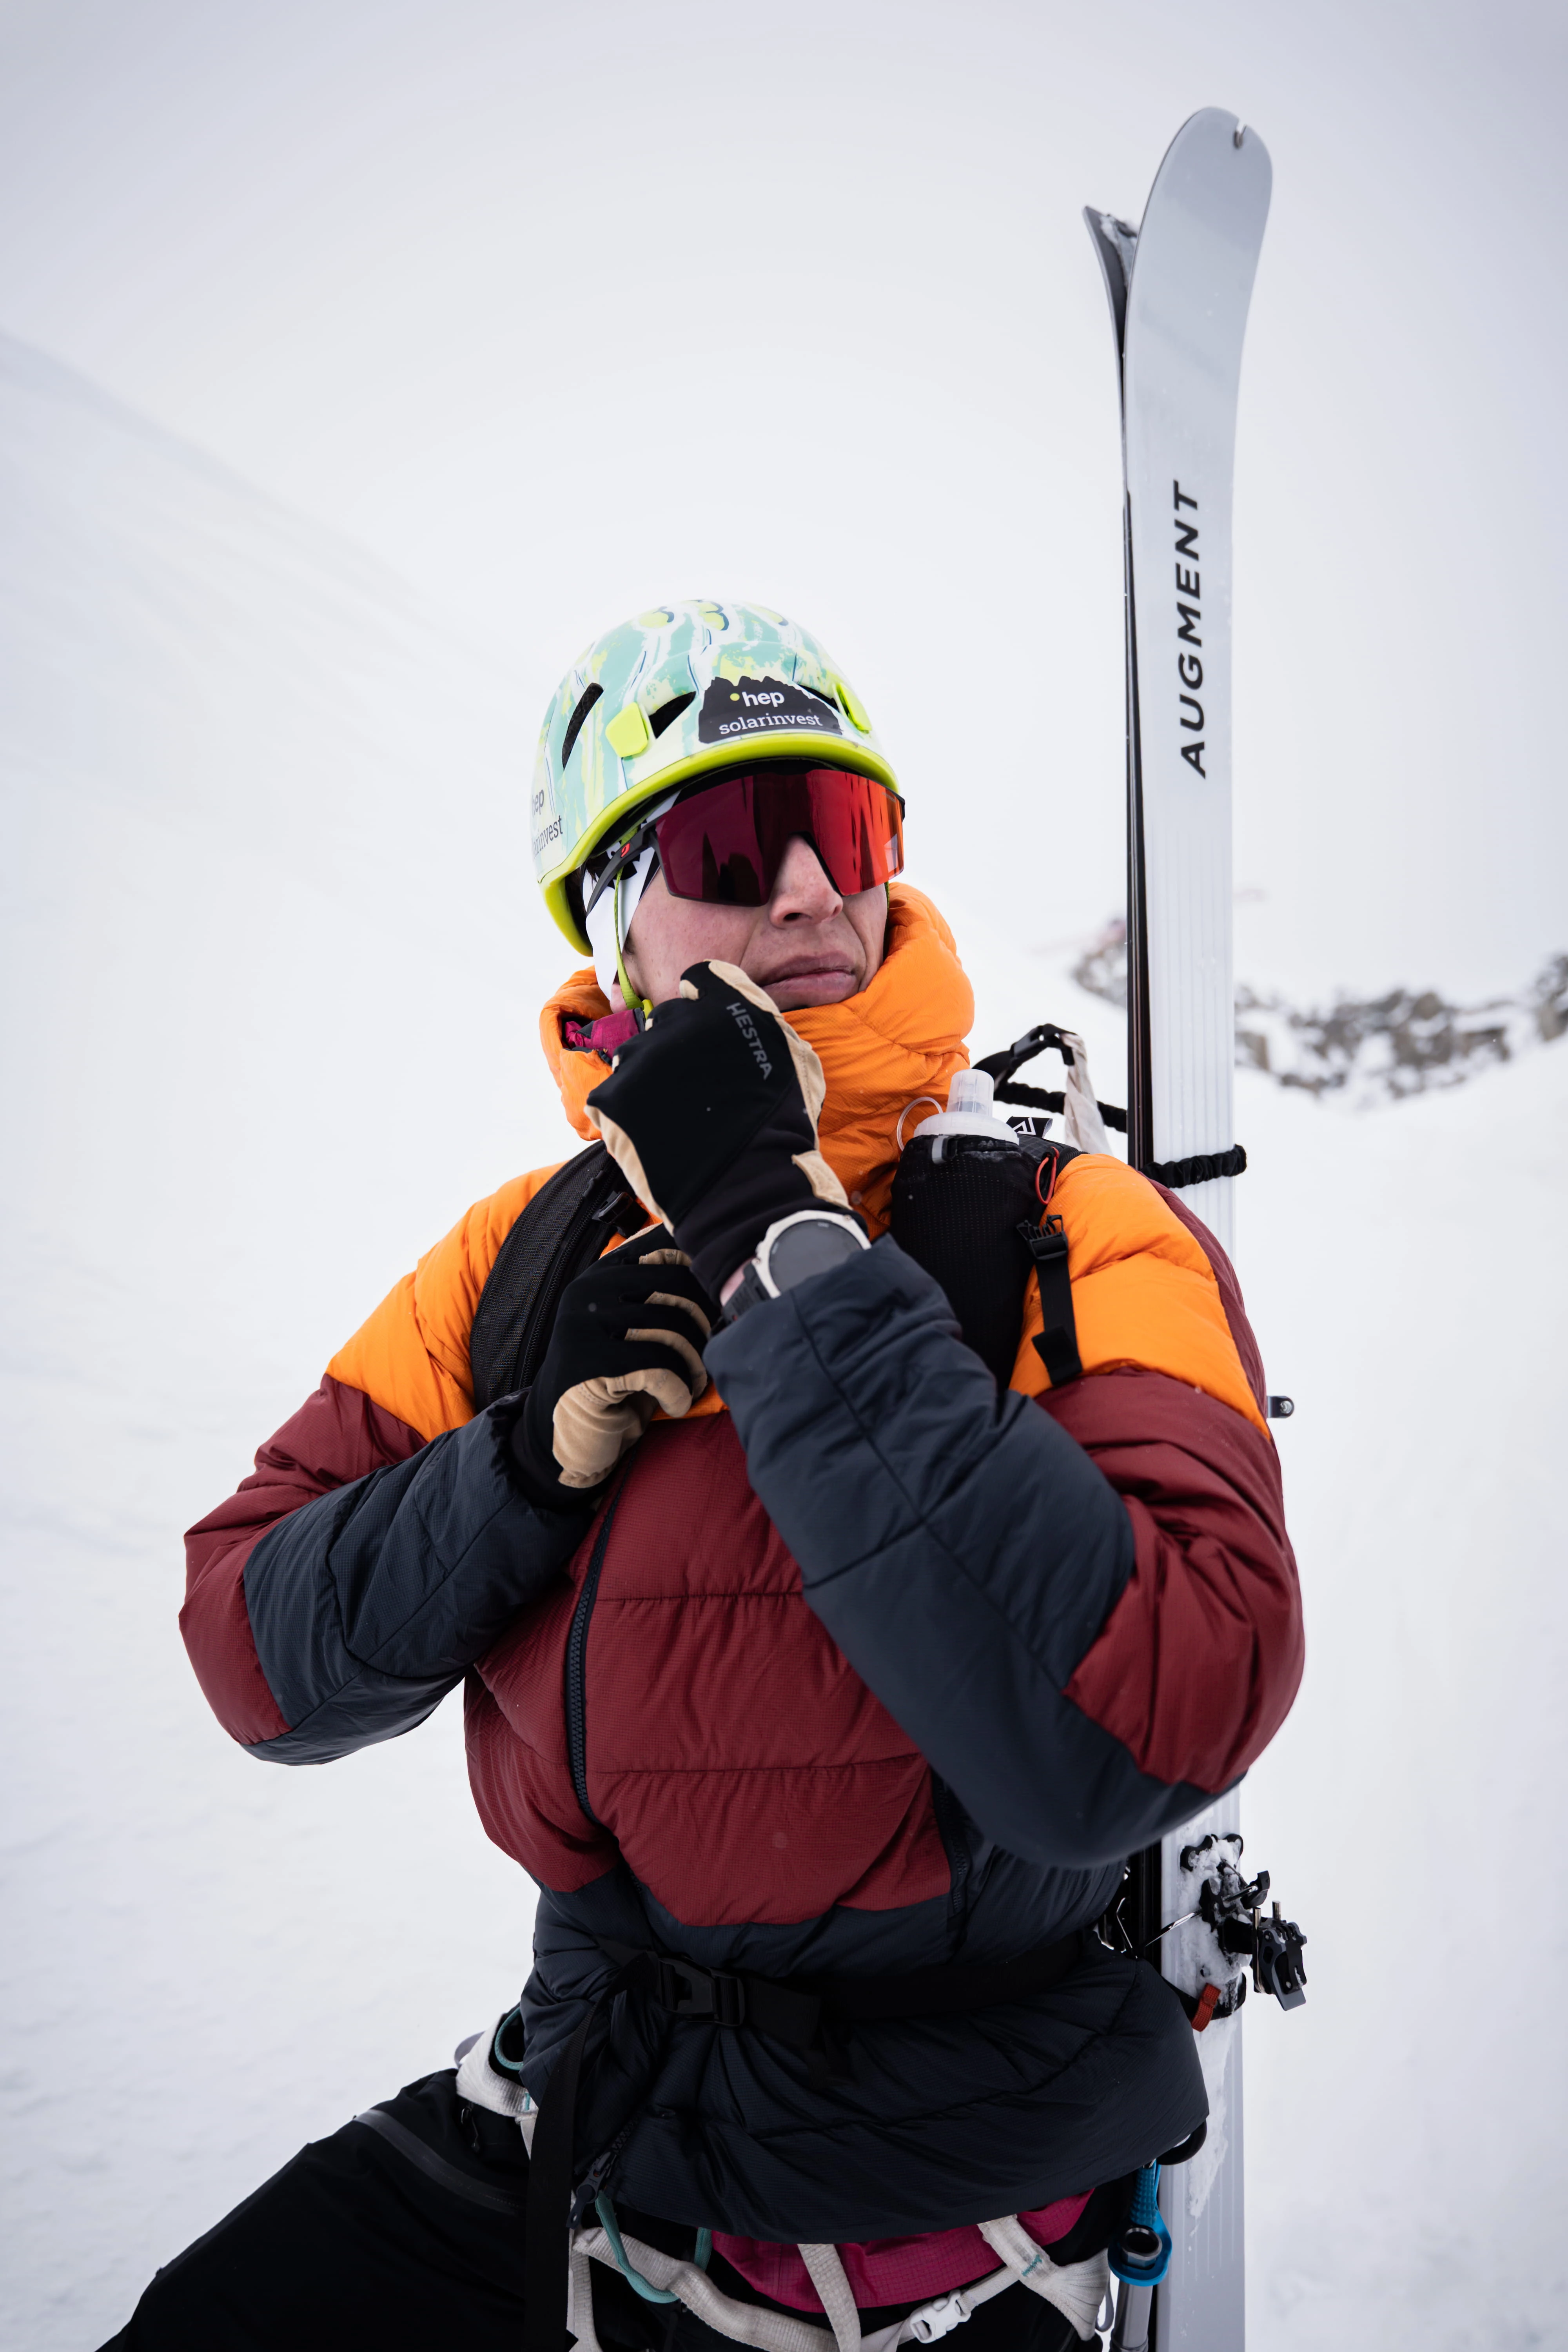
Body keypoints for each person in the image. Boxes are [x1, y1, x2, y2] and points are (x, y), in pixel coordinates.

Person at [103, 602, 1303, 2351]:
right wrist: (515, 1468)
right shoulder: (519, 1260)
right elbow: (251, 1652)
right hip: (595, 2124)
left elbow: (1148, 1725)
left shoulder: (1073, 1230)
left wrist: (776, 1230)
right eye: (738, 846)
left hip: (946, 2204)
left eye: (854, 831)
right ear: (612, 924)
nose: (814, 891)